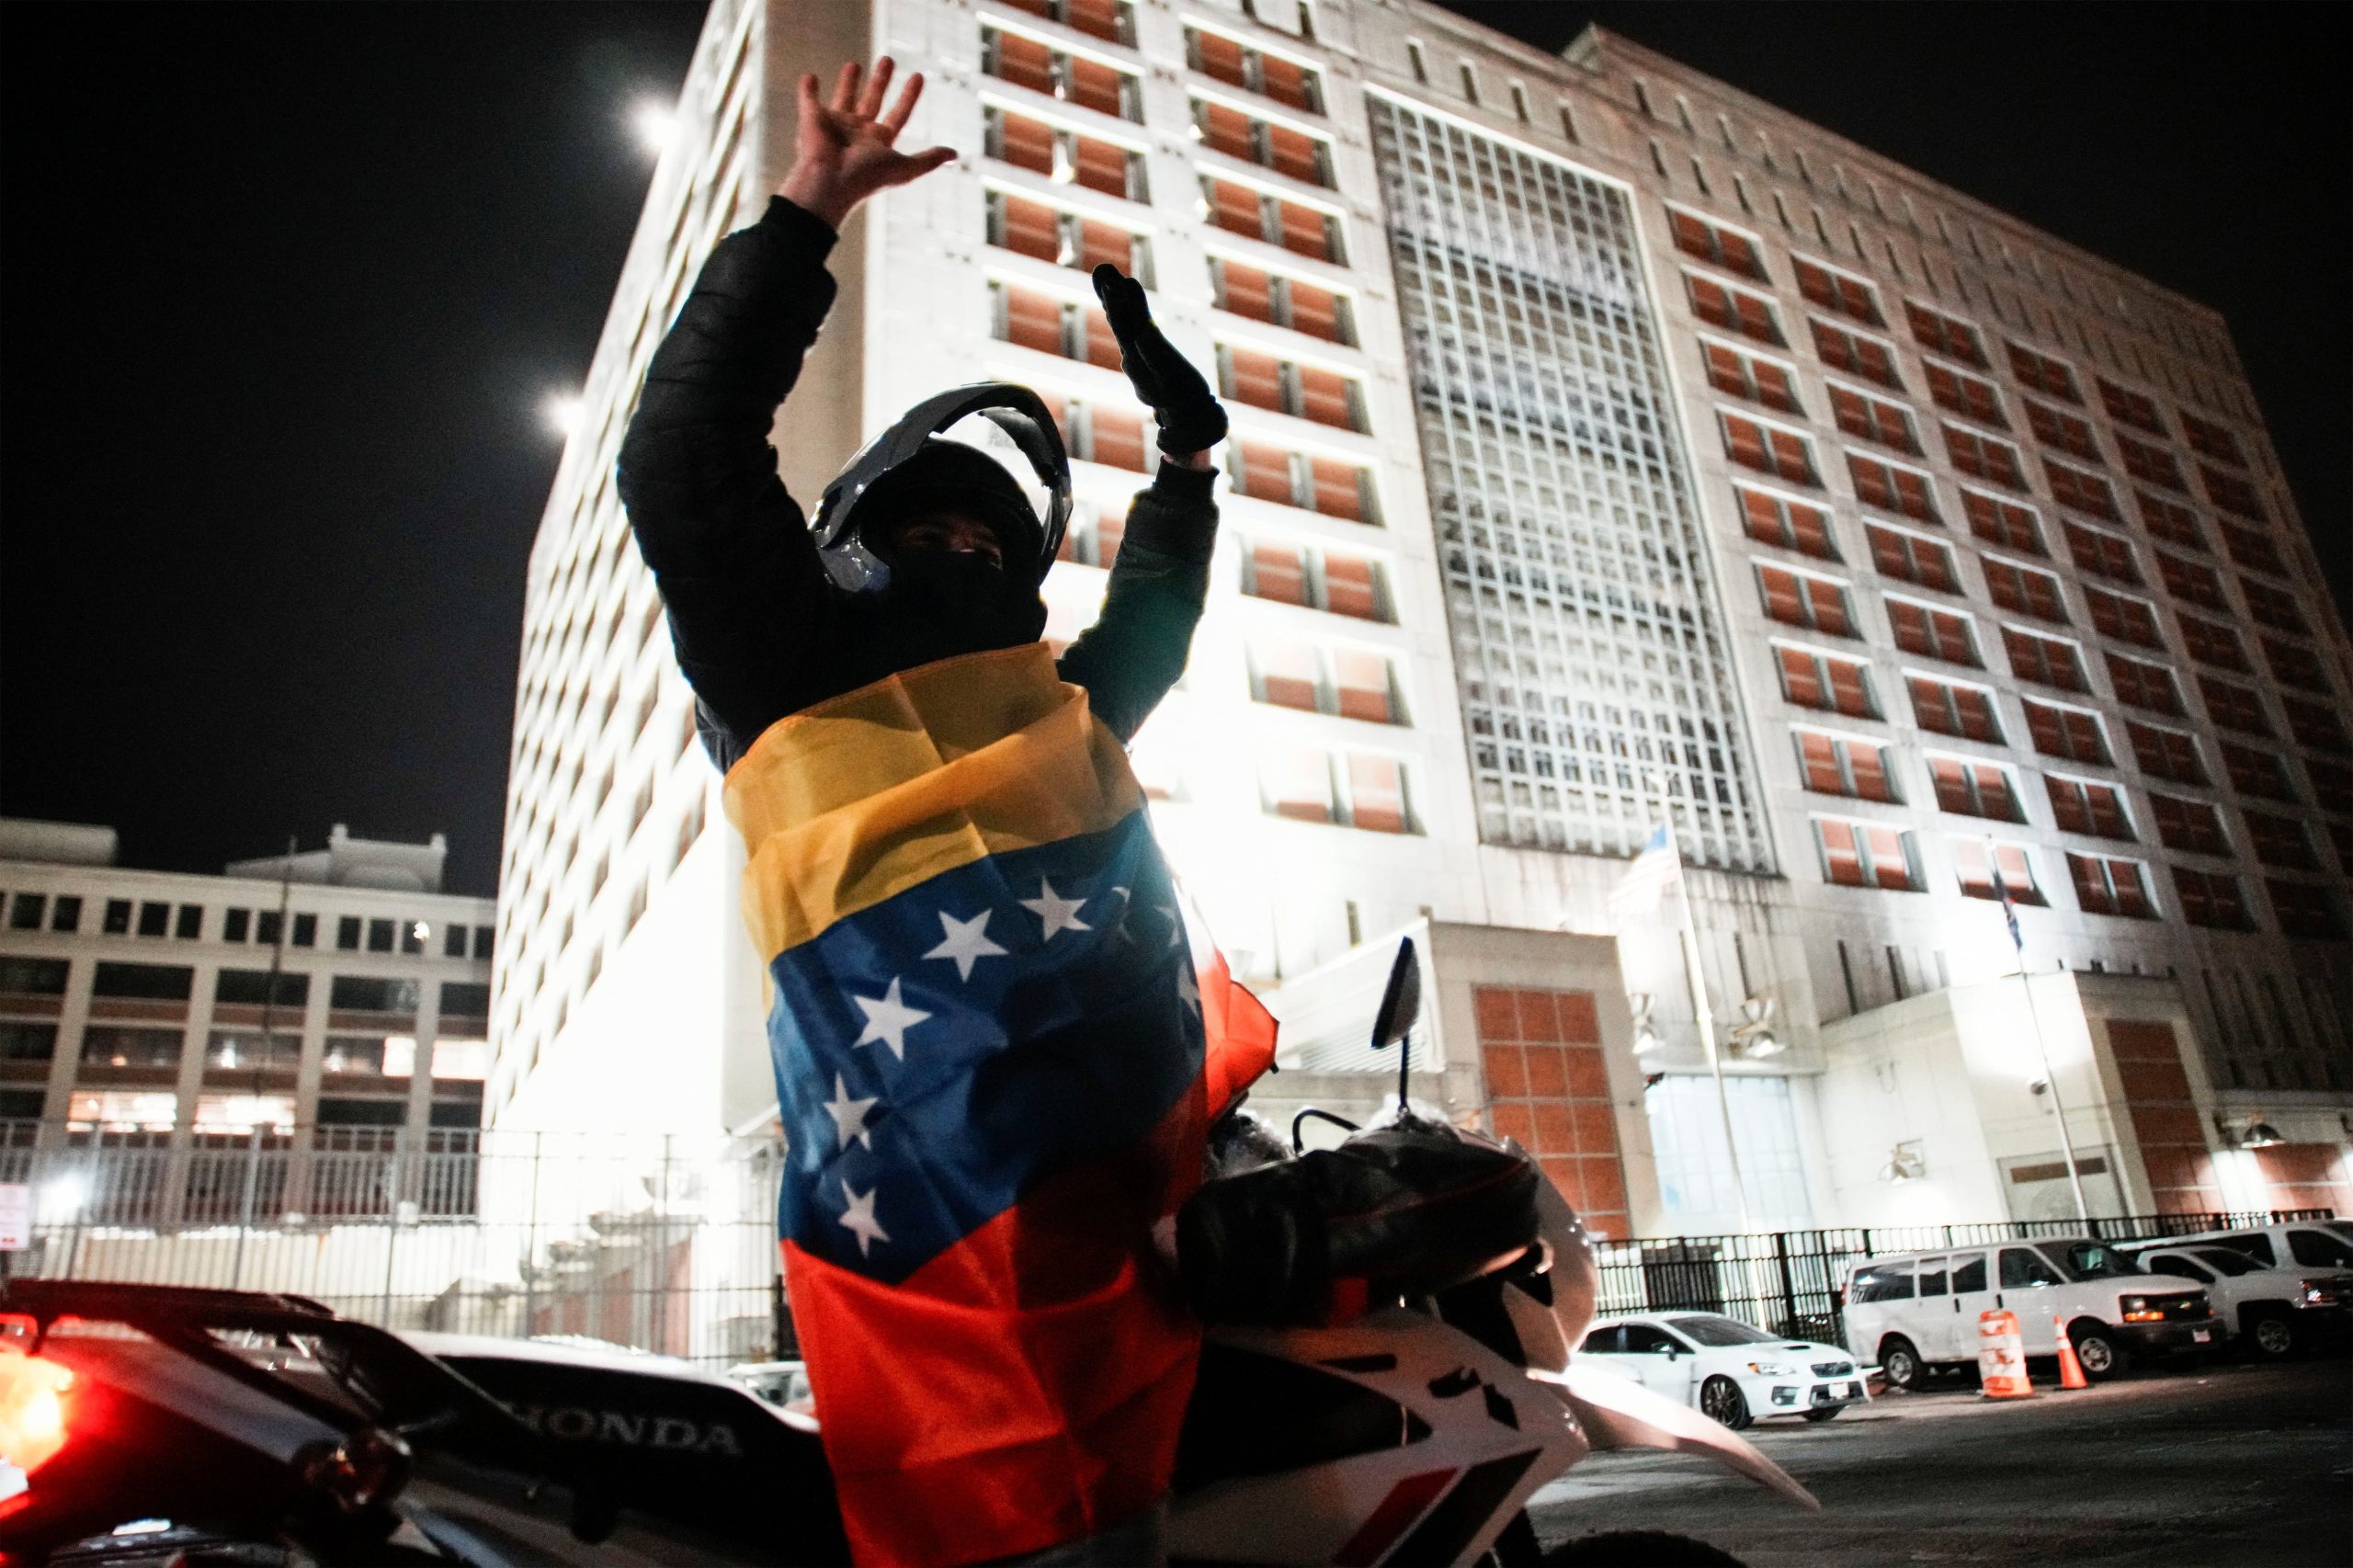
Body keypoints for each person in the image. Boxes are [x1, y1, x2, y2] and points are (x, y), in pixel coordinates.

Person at [617, 56, 1232, 1568]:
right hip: (913, 1215)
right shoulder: (782, 666)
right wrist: (805, 213)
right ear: (850, 546)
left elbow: (1148, 623)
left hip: (1118, 1211)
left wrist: (1190, 465)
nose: (959, 543)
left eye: (987, 534)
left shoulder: (1054, 713)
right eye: (925, 525)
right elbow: (684, 460)